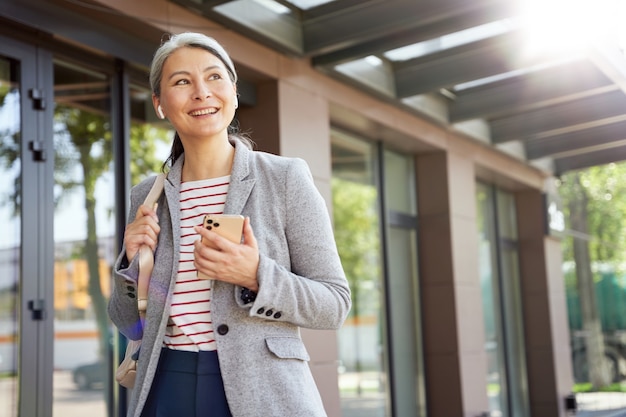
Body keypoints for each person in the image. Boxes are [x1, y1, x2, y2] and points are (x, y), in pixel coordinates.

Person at [107, 32, 351, 417]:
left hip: (263, 389)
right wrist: (132, 267)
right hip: (166, 381)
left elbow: (334, 304)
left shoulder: (285, 179)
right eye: (182, 82)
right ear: (159, 104)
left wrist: (257, 275)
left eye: (214, 77)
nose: (202, 92)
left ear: (234, 93)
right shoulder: (147, 197)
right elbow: (128, 323)